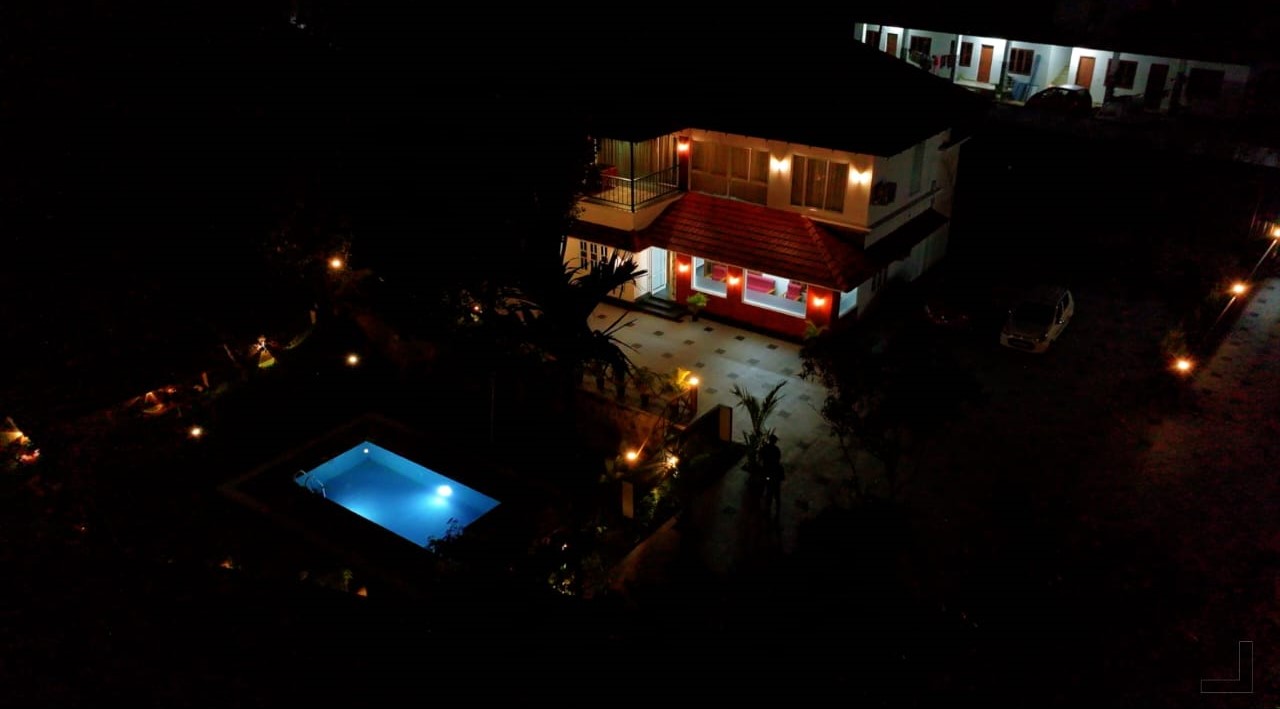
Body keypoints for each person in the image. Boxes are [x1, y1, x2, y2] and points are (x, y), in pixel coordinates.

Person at [760, 433, 784, 520]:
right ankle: (777, 509)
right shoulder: (776, 450)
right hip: (775, 474)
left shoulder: (765, 448)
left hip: (767, 472)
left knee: (768, 490)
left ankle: (767, 508)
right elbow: (778, 459)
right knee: (776, 493)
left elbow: (761, 457)